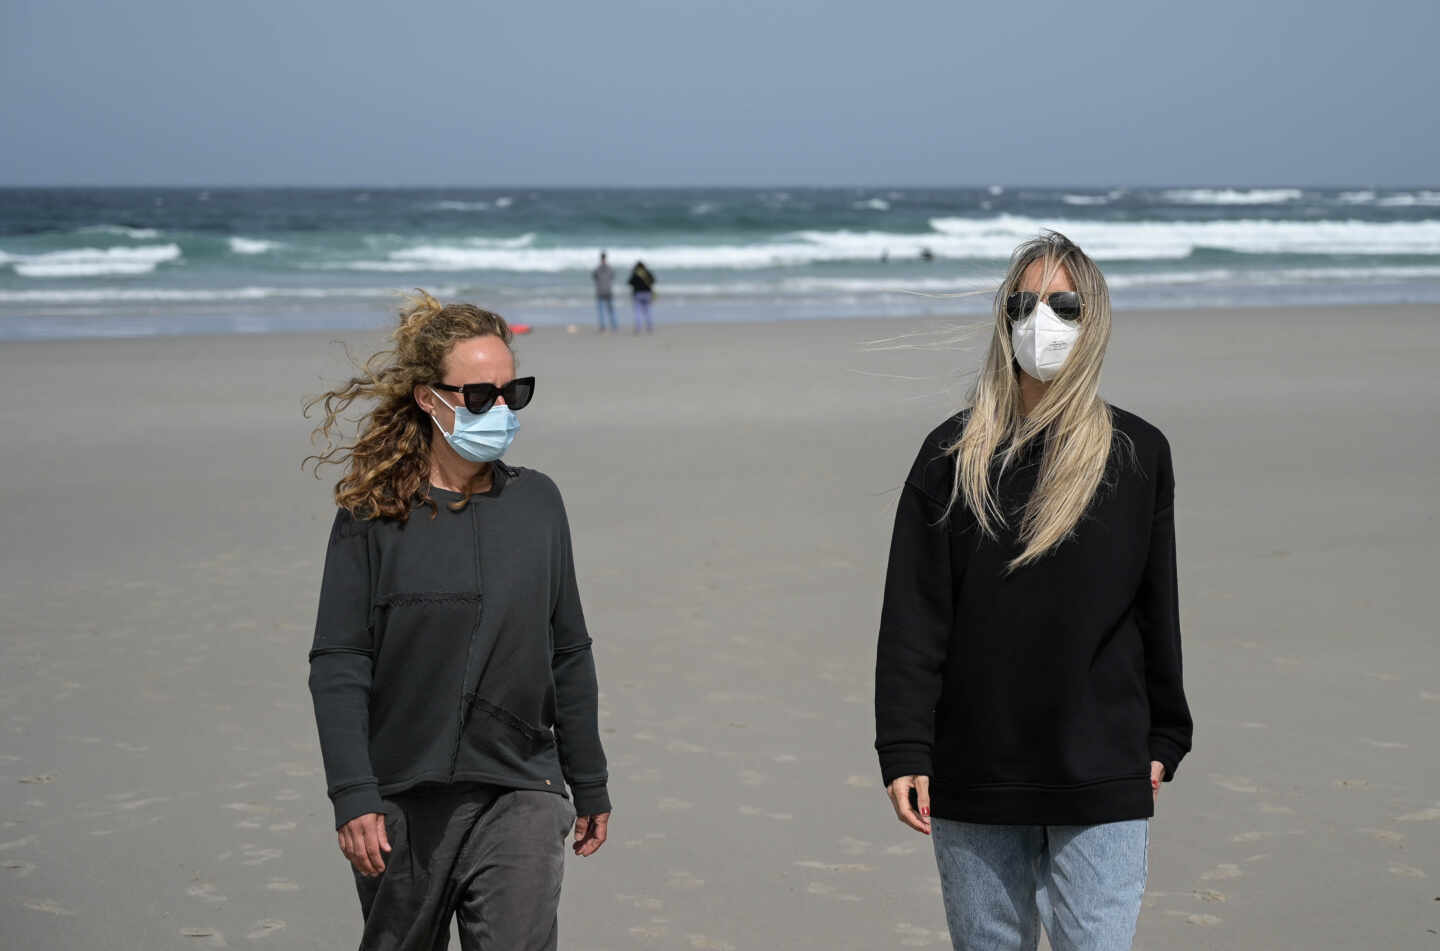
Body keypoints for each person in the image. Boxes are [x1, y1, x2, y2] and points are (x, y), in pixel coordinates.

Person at [874, 232, 1192, 951]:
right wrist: (903, 746)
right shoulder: (951, 455)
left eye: (1061, 304)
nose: (1038, 319)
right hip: (976, 767)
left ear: (1094, 318)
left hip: (1102, 766)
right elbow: (915, 615)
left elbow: (1155, 605)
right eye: (1022, 302)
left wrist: (1168, 734)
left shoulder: (1138, 454)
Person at [304, 291, 611, 950]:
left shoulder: (538, 502)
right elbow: (339, 661)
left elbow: (569, 649)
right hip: (403, 794)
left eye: (512, 392)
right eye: (478, 396)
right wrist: (354, 793)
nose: (498, 409)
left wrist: (588, 780)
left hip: (522, 784)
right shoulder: (372, 515)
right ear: (428, 397)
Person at [628, 260, 656, 334]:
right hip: (647, 294)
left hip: (638, 294)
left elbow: (629, 282)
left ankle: (638, 327)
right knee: (648, 311)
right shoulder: (647, 273)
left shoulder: (635, 274)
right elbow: (653, 281)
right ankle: (650, 327)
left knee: (638, 312)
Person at [592, 251, 617, 332]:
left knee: (602, 311)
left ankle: (604, 326)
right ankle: (614, 326)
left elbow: (594, 277)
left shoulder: (597, 269)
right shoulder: (610, 268)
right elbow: (613, 276)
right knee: (610, 310)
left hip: (600, 291)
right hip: (608, 291)